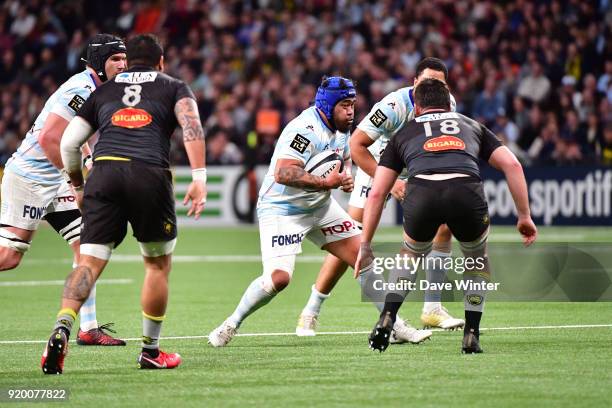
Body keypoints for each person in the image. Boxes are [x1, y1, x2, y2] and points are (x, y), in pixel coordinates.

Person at [41, 33, 207, 374]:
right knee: (157, 265)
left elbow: (70, 142)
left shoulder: (103, 90)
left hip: (103, 174)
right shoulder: (173, 86)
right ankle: (150, 351)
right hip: (150, 174)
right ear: (160, 62)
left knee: (87, 263)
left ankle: (62, 326)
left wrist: (77, 185)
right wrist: (199, 177)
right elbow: (192, 127)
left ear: (127, 62)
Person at [356, 79, 537, 354]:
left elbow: (377, 193)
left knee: (410, 254)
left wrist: (365, 244)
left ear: (417, 106)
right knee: (476, 258)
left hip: (422, 194)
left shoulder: (403, 133)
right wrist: (524, 215)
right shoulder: (471, 125)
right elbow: (512, 165)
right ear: (448, 103)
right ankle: (471, 334)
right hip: (466, 191)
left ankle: (388, 315)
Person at [296, 58, 464, 343]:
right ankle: (311, 309)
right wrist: (391, 181)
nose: (433, 88)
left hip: (417, 171)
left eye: (439, 84)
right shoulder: (394, 106)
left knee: (445, 225)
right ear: (414, 83)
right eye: (427, 82)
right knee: (349, 237)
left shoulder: (448, 104)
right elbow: (357, 145)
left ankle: (432, 308)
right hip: (378, 167)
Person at [208, 76, 359, 347]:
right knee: (278, 279)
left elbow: (344, 158)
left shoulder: (342, 127)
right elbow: (283, 172)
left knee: (363, 256)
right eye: (345, 104)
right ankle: (231, 324)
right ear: (328, 105)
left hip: (320, 206)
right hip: (283, 209)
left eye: (353, 104)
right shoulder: (304, 129)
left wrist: (345, 176)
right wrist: (327, 182)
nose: (350, 111)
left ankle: (392, 322)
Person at [0, 34, 128, 346]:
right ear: (98, 62)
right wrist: (77, 181)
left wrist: (86, 157)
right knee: (8, 257)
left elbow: (75, 132)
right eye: (115, 60)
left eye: (125, 59)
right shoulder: (81, 89)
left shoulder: (97, 89)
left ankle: (88, 328)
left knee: (88, 246)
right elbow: (50, 139)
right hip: (31, 177)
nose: (123, 65)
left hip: (54, 178)